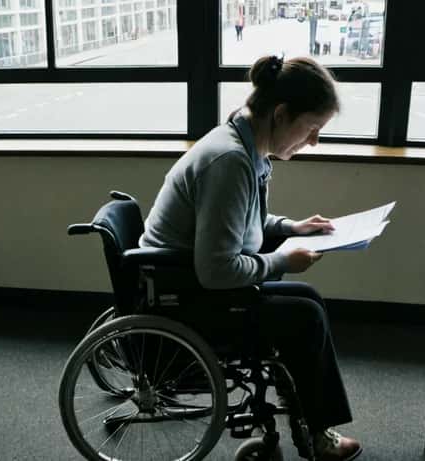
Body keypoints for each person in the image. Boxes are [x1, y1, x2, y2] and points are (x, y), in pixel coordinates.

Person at [139, 55, 362, 461]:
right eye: (312, 128)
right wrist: (281, 260)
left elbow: (240, 223)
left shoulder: (245, 145)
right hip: (184, 293)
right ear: (281, 114)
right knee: (305, 315)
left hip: (184, 276)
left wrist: (290, 227)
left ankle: (315, 425)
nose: (314, 141)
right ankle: (317, 433)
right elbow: (217, 268)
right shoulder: (229, 162)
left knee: (306, 298)